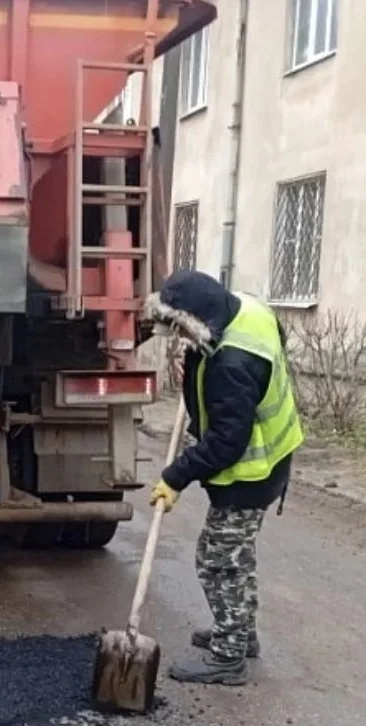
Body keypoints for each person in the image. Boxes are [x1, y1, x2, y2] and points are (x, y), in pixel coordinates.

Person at [145, 269, 304, 686]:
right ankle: (241, 633)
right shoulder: (247, 311)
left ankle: (228, 657)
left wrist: (175, 476)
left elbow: (225, 443)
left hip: (249, 473)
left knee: (218, 562)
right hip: (272, 461)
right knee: (238, 556)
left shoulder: (231, 365)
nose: (177, 334)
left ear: (200, 318)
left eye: (181, 326)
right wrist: (196, 361)